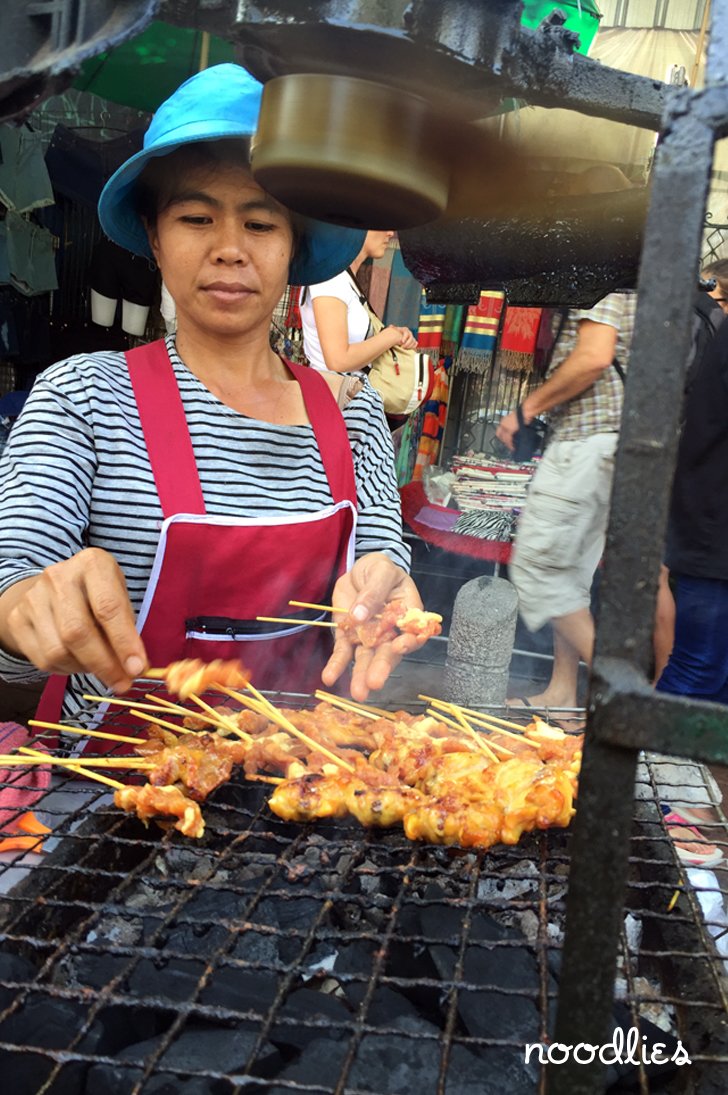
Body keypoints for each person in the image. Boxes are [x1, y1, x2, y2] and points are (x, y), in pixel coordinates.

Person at [0, 64, 431, 724]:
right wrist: (24, 605)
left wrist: (389, 588)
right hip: (104, 803)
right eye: (197, 217)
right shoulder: (82, 399)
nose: (229, 248)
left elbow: (380, 559)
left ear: (295, 246)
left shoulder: (353, 413)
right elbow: (14, 575)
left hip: (294, 789)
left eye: (260, 225)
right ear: (154, 234)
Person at [496, 291, 637, 712]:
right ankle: (562, 694)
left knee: (540, 571)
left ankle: (628, 701)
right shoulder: (627, 268)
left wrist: (525, 410)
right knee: (570, 575)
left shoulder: (608, 273)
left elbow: (594, 356)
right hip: (603, 444)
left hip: (586, 442)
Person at [299, 230, 416, 374]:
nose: (390, 233)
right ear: (359, 228)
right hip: (331, 391)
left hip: (343, 390)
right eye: (382, 224)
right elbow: (338, 360)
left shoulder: (345, 278)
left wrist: (394, 335)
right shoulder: (332, 279)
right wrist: (390, 336)